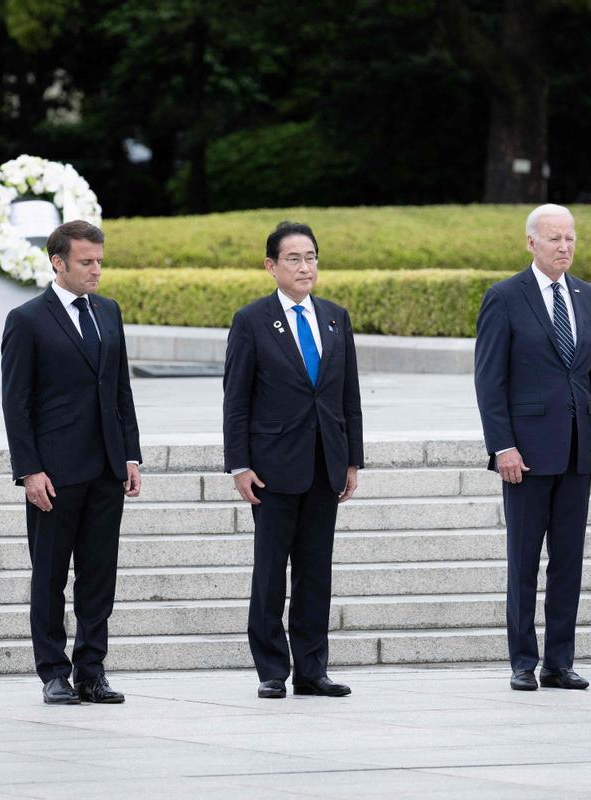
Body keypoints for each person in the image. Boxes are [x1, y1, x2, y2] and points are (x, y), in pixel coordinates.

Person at [1, 220, 142, 705]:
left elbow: (120, 389)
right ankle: (53, 673)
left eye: (100, 260)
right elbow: (16, 403)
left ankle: (91, 671)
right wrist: (29, 469)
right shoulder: (27, 319)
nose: (96, 270)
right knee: (50, 576)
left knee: (99, 575)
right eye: (86, 262)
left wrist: (129, 453)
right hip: (54, 473)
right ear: (58, 262)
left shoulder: (109, 312)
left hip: (105, 468)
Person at [474, 203, 591, 692]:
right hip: (526, 455)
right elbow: (490, 381)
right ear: (531, 242)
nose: (565, 247)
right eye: (554, 238)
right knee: (524, 561)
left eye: (570, 238)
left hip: (578, 451)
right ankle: (522, 661)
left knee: (569, 561)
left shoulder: (588, 297)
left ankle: (560, 661)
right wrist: (502, 447)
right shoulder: (505, 297)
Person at [223, 221, 363, 699]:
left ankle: (312, 669)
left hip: (325, 463)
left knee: (315, 571)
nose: (305, 267)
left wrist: (352, 460)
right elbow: (236, 399)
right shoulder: (252, 320)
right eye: (294, 259)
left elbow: (349, 397)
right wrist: (239, 464)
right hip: (273, 466)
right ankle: (271, 669)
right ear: (271, 266)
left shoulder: (334, 318)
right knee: (270, 571)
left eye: (311, 258)